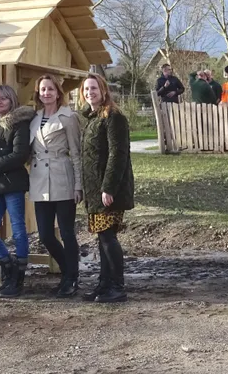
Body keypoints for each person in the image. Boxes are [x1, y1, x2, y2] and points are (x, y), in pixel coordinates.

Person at [79, 74, 134, 303]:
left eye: (93, 88)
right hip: (95, 190)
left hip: (109, 190)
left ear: (103, 90)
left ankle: (117, 287)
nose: (89, 92)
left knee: (108, 237)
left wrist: (108, 188)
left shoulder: (113, 117)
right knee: (102, 238)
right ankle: (104, 284)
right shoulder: (92, 117)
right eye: (86, 89)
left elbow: (117, 154)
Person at [28, 75, 82, 298]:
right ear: (38, 93)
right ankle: (68, 270)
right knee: (46, 235)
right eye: (43, 89)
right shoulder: (33, 118)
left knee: (67, 232)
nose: (46, 93)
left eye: (51, 89)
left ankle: (71, 278)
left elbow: (76, 153)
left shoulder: (68, 117)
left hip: (62, 177)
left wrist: (79, 185)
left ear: (58, 92)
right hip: (40, 179)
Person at [0, 85, 34, 298]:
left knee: (19, 231)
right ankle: (8, 267)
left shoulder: (20, 124)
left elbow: (19, 155)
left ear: (12, 100)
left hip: (13, 184)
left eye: (3, 98)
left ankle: (18, 277)